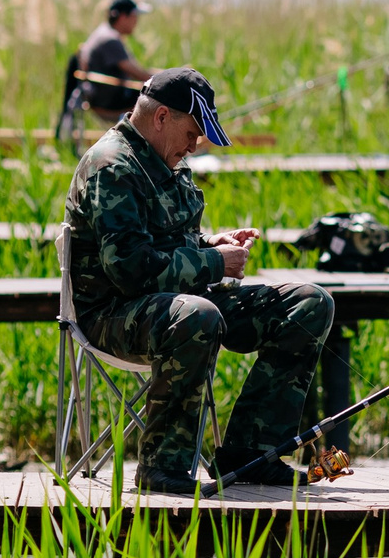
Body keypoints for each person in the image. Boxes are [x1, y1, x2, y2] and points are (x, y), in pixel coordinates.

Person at [63, 66, 332, 494]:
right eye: (191, 133)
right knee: (198, 316)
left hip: (178, 300)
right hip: (114, 313)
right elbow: (130, 268)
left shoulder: (164, 158)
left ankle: (251, 454)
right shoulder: (112, 166)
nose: (194, 145)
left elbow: (170, 240)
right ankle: (162, 467)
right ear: (161, 117)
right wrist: (212, 263)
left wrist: (210, 243)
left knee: (309, 303)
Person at [63, 0, 150, 131]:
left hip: (104, 95)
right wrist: (166, 79)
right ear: (123, 17)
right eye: (134, 17)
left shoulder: (104, 32)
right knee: (157, 99)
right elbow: (138, 74)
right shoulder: (110, 39)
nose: (136, 22)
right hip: (108, 101)